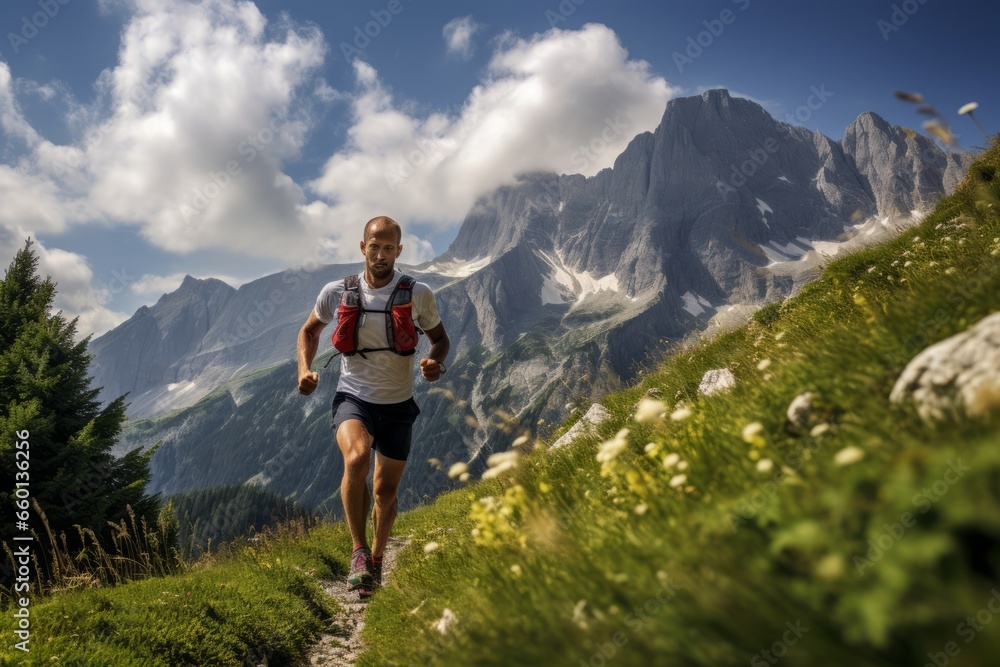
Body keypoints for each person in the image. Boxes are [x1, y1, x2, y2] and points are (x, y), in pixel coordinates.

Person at [296, 216, 450, 597]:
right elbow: (309, 331)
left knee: (384, 492)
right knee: (356, 459)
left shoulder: (418, 293)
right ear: (362, 247)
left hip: (398, 404)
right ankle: (359, 551)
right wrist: (304, 369)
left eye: (388, 248)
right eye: (374, 246)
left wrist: (434, 362)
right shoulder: (337, 291)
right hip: (353, 397)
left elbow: (440, 339)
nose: (380, 254)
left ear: (399, 251)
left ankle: (378, 560)